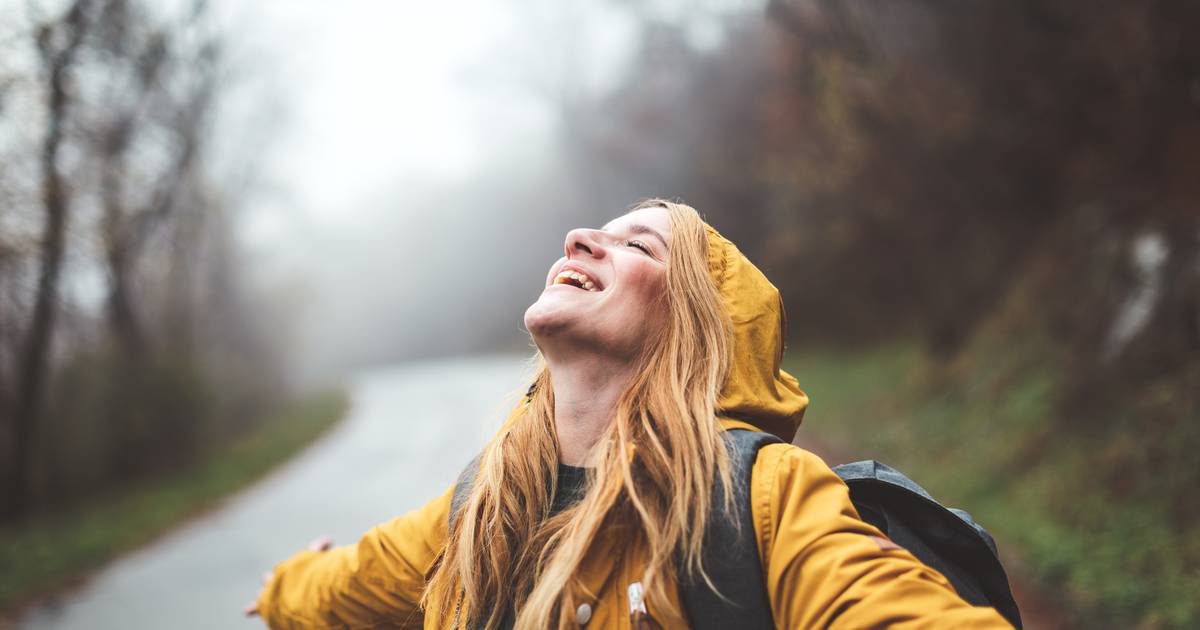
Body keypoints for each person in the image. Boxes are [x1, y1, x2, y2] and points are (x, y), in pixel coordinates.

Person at [246, 199, 1012, 629]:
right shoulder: (486, 509)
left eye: (636, 243)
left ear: (694, 322)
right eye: (592, 235)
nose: (580, 238)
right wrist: (286, 586)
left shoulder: (762, 502)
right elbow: (352, 582)